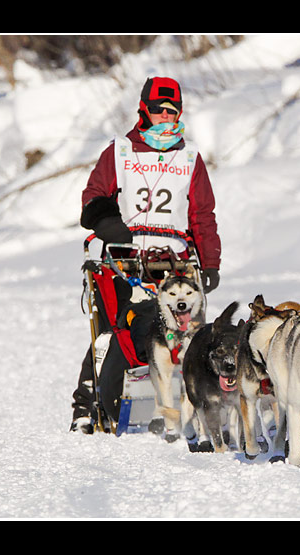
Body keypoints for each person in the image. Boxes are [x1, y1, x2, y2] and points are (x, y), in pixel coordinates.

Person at [70, 76, 222, 433]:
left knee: (183, 332)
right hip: (123, 255)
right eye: (158, 110)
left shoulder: (190, 156)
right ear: (144, 110)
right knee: (113, 332)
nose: (165, 117)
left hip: (175, 260)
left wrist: (211, 260)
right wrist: (106, 221)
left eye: (172, 111)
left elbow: (202, 214)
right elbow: (92, 195)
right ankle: (87, 406)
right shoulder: (120, 150)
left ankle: (194, 408)